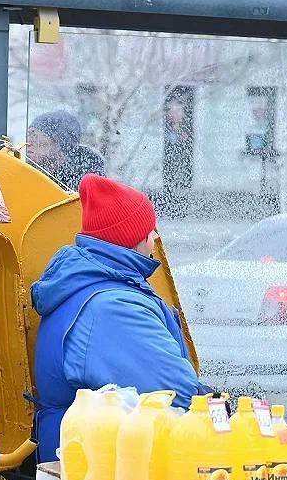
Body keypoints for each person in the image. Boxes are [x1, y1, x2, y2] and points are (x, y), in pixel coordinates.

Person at [31, 173, 206, 463]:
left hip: (88, 456)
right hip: (99, 469)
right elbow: (176, 395)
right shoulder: (112, 308)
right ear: (131, 238)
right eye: (150, 230)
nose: (155, 238)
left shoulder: (88, 283)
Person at [26, 110, 106, 191]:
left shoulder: (84, 183)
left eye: (35, 136)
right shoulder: (28, 175)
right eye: (28, 134)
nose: (28, 142)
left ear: (58, 142)